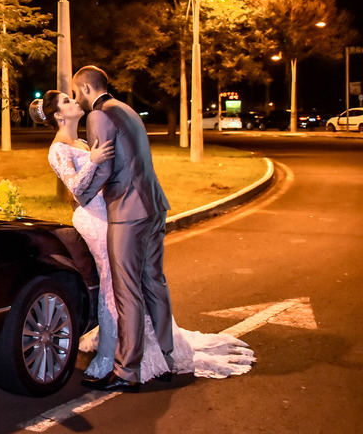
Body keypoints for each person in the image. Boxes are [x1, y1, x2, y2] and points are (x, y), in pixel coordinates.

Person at [30, 82, 254, 392]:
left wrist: (97, 161)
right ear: (58, 116)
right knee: (114, 285)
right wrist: (94, 160)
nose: (74, 101)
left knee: (126, 285)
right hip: (94, 220)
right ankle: (112, 357)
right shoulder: (58, 148)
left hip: (116, 214)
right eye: (67, 101)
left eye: (73, 96)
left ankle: (134, 355)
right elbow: (76, 188)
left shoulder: (82, 139)